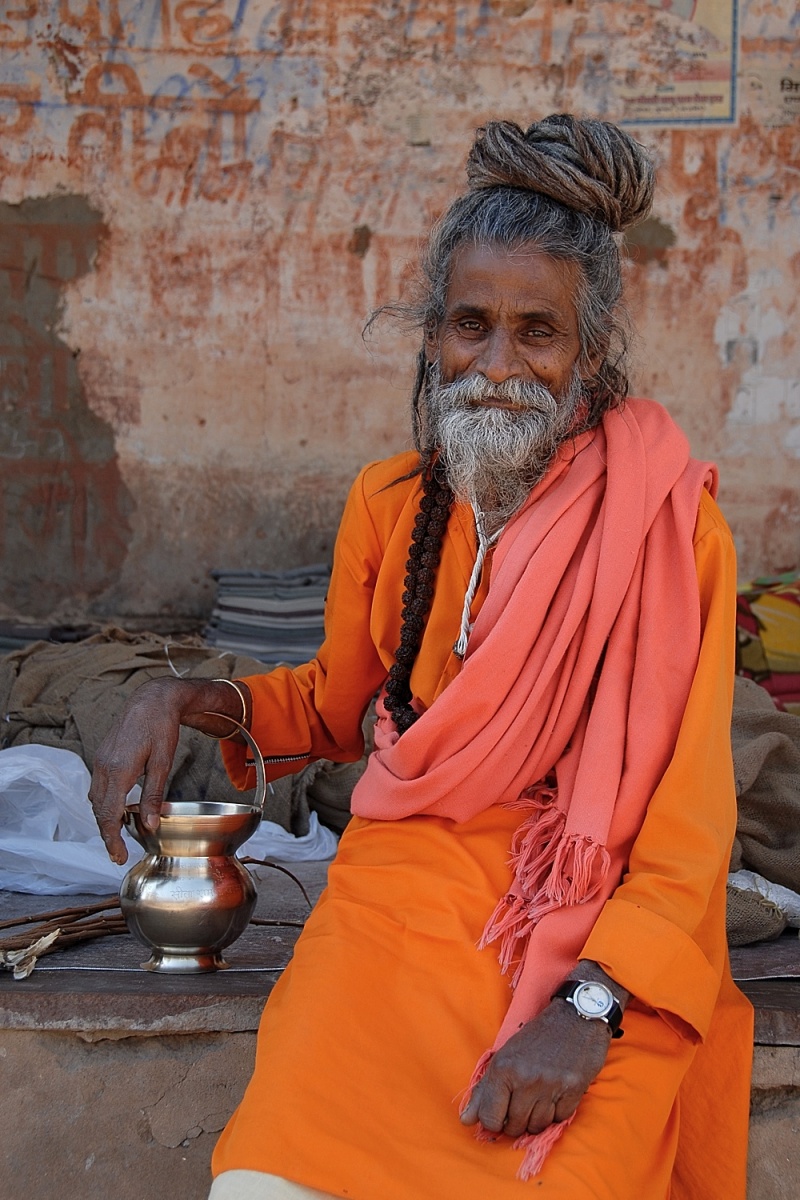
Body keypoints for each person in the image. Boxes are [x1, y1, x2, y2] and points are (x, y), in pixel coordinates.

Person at [90, 114, 753, 1200]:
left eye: (535, 332)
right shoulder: (392, 505)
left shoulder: (672, 528)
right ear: (428, 334)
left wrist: (586, 1011)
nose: (495, 367)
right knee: (272, 1179)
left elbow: (685, 829)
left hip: (592, 927)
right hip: (392, 903)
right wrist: (180, 694)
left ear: (590, 352)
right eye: (468, 325)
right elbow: (332, 704)